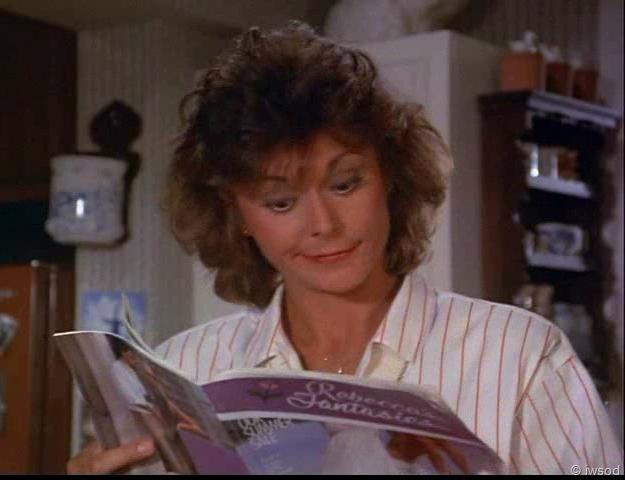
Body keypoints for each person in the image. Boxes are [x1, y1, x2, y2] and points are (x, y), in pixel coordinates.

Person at [67, 22, 622, 474]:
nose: (323, 226)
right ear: (236, 215)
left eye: (345, 184)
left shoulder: (521, 356)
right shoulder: (188, 369)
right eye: (280, 202)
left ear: (391, 178)